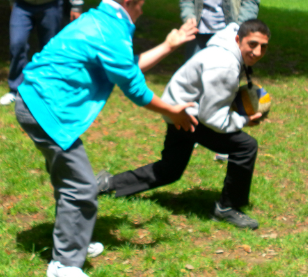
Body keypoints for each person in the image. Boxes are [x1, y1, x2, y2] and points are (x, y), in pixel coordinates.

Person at [15, 0, 198, 277]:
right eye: (140, 6)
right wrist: (171, 112)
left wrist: (169, 45)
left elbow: (124, 69)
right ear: (128, 2)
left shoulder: (100, 21)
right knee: (83, 187)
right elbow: (135, 89)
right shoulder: (109, 32)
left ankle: (74, 240)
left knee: (70, 180)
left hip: (36, 101)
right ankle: (64, 265)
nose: (141, 12)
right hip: (48, 109)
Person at [97, 19, 271, 230]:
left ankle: (108, 184)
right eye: (252, 44)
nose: (258, 52)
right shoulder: (225, 65)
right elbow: (212, 118)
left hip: (179, 107)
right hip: (187, 114)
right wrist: (243, 120)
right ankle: (228, 208)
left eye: (263, 46)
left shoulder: (227, 50)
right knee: (246, 146)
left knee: (170, 170)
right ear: (237, 39)